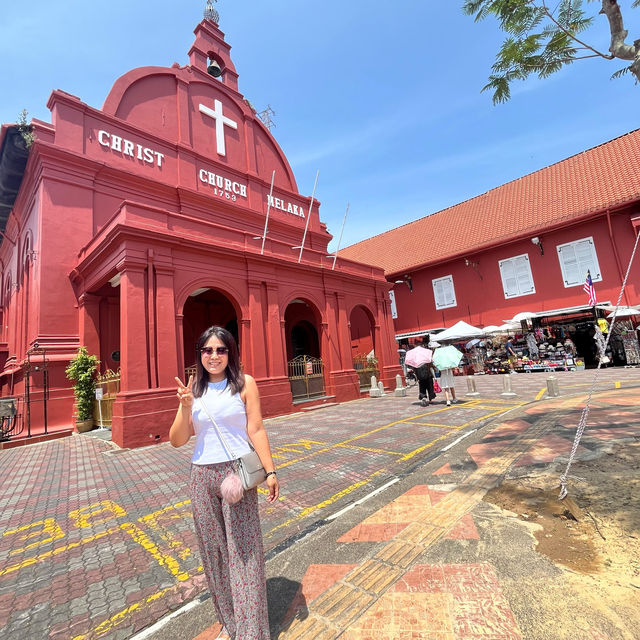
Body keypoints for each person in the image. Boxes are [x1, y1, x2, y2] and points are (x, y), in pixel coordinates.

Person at [170, 326, 279, 640]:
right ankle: (233, 625)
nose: (214, 356)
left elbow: (256, 428)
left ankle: (252, 632)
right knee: (215, 553)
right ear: (199, 355)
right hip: (201, 476)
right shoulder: (194, 391)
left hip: (236, 474)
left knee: (244, 552)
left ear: (230, 353)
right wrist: (184, 405)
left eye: (220, 350)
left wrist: (270, 471)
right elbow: (177, 440)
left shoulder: (245, 384)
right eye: (207, 350)